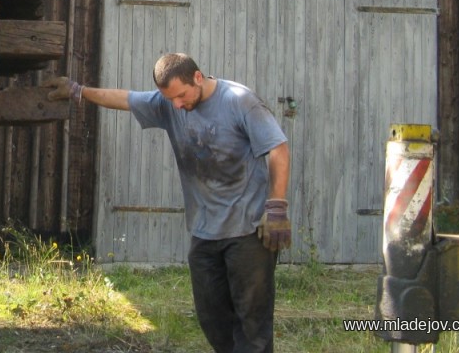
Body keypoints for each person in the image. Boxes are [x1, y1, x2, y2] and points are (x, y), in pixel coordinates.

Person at [50, 53, 291, 353]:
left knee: (252, 321)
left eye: (181, 95)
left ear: (198, 77)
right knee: (211, 317)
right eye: (170, 98)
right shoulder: (169, 104)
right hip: (204, 231)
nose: (177, 105)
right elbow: (125, 99)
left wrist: (277, 206)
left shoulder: (240, 101)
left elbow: (277, 148)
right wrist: (78, 90)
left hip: (248, 229)